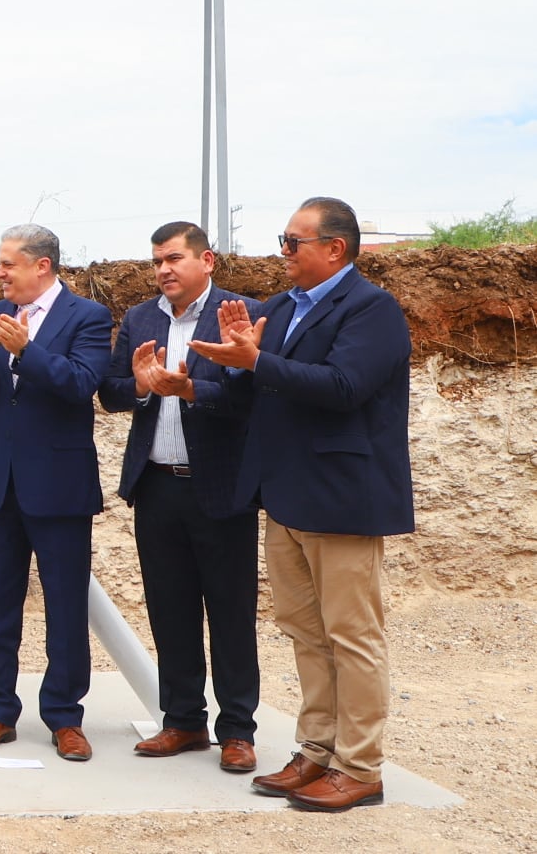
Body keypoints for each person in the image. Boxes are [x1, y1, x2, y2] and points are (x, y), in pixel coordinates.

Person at [190, 197, 413, 812]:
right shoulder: (282, 306)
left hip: (343, 498)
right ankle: (317, 750)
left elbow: (343, 389)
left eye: (292, 242)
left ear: (334, 248)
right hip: (286, 494)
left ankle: (361, 767)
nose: (281, 253)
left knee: (353, 635)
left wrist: (258, 359)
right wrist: (233, 365)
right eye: (282, 241)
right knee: (306, 633)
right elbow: (262, 389)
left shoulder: (372, 309)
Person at [97, 221, 262, 773]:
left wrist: (191, 390)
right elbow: (112, 392)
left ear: (207, 260)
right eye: (156, 262)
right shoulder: (142, 318)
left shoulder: (242, 313)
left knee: (230, 612)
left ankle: (238, 730)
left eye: (173, 258)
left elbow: (253, 396)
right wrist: (142, 385)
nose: (164, 270)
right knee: (170, 609)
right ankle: (183, 721)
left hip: (220, 486)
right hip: (157, 483)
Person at [0, 223, 112, 762]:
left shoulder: (87, 316)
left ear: (41, 265)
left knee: (65, 607)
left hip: (60, 486)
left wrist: (25, 352)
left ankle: (65, 716)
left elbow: (82, 384)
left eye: (7, 264)